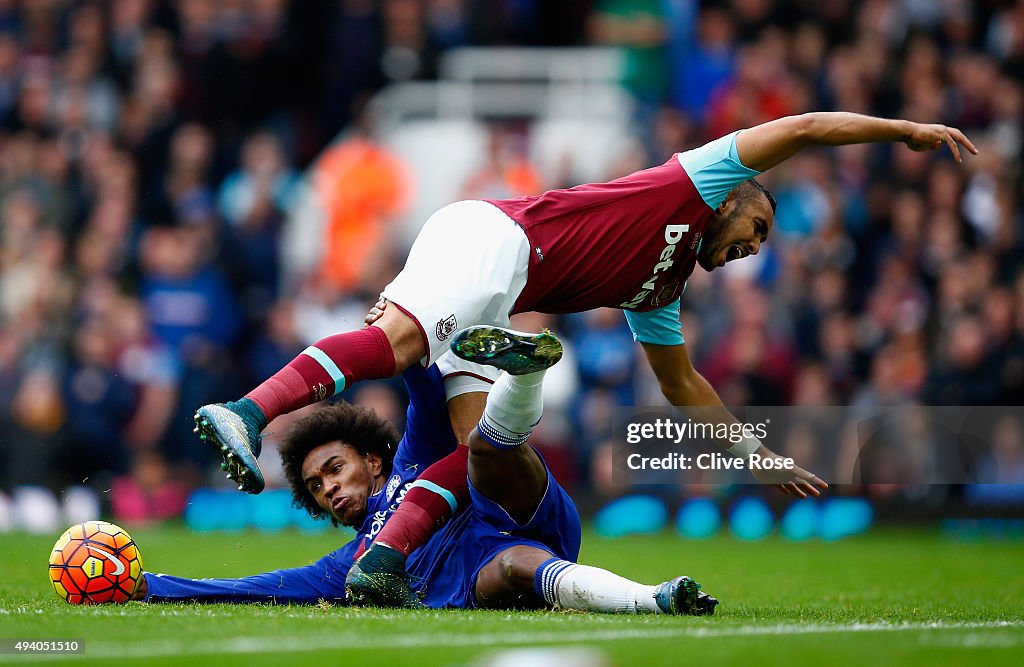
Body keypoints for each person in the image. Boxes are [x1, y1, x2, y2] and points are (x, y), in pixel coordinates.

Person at [193, 111, 974, 590]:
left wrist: (762, 459)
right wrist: (902, 131)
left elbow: (684, 388)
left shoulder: (657, 290)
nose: (751, 249)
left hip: (494, 290)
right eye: (756, 231)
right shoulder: (692, 184)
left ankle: (385, 558)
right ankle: (246, 411)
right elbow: (802, 130)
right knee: (396, 345)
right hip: (497, 238)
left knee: (484, 451)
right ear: (734, 201)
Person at [138, 336, 718, 615]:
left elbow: (420, 383)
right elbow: (258, 588)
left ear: (371, 458)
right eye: (317, 486)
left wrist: (405, 327)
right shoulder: (351, 562)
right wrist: (148, 587)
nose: (331, 488)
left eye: (335, 468)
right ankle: (659, 599)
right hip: (489, 570)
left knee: (484, 451)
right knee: (517, 564)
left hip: (511, 505)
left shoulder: (416, 453)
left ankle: (524, 375)